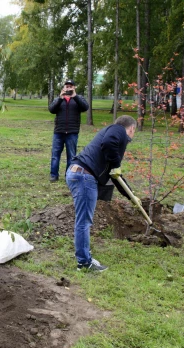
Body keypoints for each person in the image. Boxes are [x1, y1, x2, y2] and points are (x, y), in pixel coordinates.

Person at [66, 115, 139, 272]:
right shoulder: (117, 130)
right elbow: (109, 145)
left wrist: (131, 196)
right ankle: (84, 263)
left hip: (78, 173)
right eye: (133, 133)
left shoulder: (111, 136)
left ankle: (85, 257)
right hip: (84, 176)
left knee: (83, 220)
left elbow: (115, 176)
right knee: (84, 221)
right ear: (131, 128)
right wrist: (117, 163)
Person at [48, 79, 89, 182]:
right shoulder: (59, 99)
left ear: (74, 88)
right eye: (67, 86)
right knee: (55, 155)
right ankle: (54, 175)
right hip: (59, 131)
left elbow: (85, 107)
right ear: (64, 88)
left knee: (71, 156)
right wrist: (60, 98)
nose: (68, 88)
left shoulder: (78, 99)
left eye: (71, 86)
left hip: (72, 132)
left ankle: (68, 176)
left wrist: (75, 96)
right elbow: (51, 109)